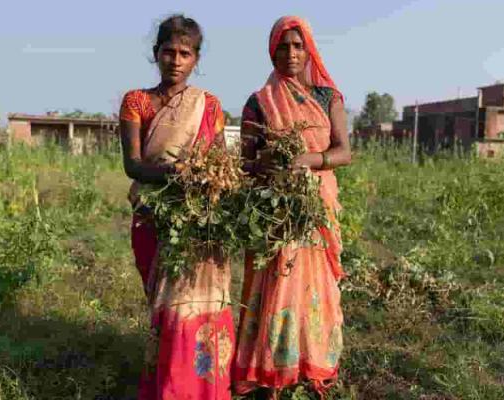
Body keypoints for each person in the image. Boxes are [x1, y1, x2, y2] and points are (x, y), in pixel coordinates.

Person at [233, 16, 352, 398]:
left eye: (298, 45)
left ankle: (309, 363)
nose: (291, 53)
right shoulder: (259, 103)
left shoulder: (327, 98)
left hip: (315, 208)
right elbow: (244, 163)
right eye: (283, 46)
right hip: (275, 211)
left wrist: (308, 160)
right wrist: (264, 164)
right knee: (277, 287)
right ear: (272, 51)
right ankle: (271, 373)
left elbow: (343, 152)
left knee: (314, 290)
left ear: (310, 49)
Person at [118, 14, 233, 400]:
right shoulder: (137, 101)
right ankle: (167, 386)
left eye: (185, 53)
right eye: (169, 51)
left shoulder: (210, 106)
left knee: (198, 307)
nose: (176, 60)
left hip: (198, 221)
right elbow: (132, 164)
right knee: (165, 310)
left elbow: (217, 167)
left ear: (196, 59)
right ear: (156, 54)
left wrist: (204, 182)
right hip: (153, 214)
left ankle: (199, 388)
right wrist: (177, 172)